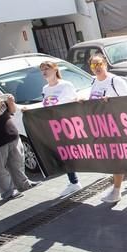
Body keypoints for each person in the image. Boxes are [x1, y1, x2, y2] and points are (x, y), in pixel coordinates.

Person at [87, 54, 127, 203]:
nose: (97, 68)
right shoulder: (94, 81)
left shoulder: (115, 81)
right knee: (120, 155)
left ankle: (116, 190)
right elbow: (93, 101)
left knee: (116, 157)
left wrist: (111, 102)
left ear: (105, 64)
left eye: (99, 64)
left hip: (118, 126)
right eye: (93, 66)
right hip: (103, 126)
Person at [0, 76, 39, 200]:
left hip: (11, 135)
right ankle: (7, 193)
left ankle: (24, 184)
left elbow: (11, 111)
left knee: (18, 163)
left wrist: (10, 102)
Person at [40, 61, 82, 197]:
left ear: (55, 69)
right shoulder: (45, 88)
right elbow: (45, 106)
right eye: (42, 69)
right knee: (65, 154)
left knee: (79, 152)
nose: (44, 71)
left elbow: (72, 101)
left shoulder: (65, 85)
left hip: (68, 124)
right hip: (55, 126)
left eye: (47, 68)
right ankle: (74, 182)